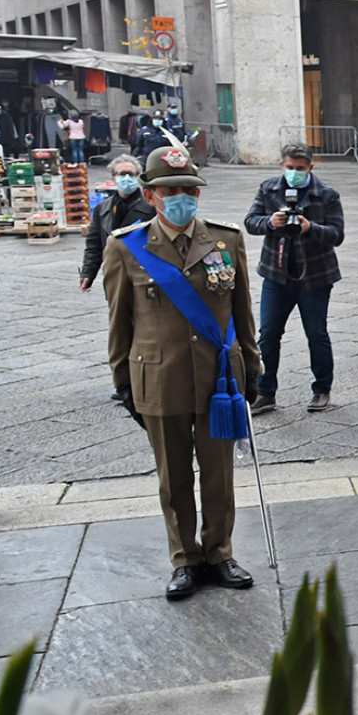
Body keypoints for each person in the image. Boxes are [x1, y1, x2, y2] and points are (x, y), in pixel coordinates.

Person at [102, 145, 262, 600]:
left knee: (218, 475)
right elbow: (120, 322)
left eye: (189, 190)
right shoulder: (126, 247)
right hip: (158, 377)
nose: (182, 198)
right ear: (151, 195)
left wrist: (252, 366)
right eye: (171, 190)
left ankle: (219, 553)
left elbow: (241, 311)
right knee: (173, 477)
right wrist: (122, 382)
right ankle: (184, 559)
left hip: (219, 379)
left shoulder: (225, 240)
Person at [244, 143, 346, 415]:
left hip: (315, 276)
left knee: (316, 333)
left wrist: (310, 227)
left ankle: (322, 389)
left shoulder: (326, 195)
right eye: (289, 168)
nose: (294, 173)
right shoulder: (269, 189)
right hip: (276, 275)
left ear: (310, 168)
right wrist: (270, 222)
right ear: (282, 165)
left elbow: (337, 233)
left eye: (300, 169)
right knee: (268, 334)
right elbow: (250, 221)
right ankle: (265, 392)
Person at [80, 155, 156, 293]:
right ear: (113, 178)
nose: (126, 178)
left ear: (138, 177)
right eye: (122, 174)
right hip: (114, 275)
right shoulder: (102, 208)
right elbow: (94, 244)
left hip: (144, 275)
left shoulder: (152, 208)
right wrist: (87, 274)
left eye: (131, 174)